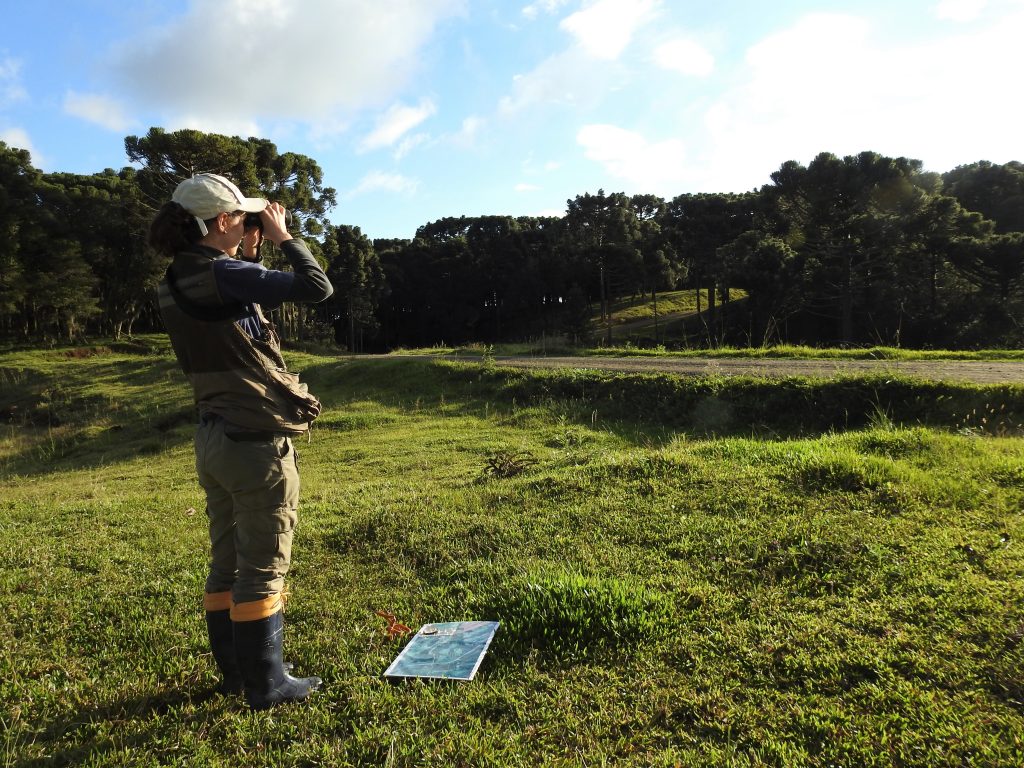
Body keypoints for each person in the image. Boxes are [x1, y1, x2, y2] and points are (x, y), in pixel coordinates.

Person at [149, 173, 333, 710]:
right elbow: (317, 287)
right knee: (263, 564)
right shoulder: (224, 273)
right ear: (224, 220)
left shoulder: (177, 278)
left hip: (213, 437)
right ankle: (267, 685)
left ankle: (235, 673)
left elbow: (235, 319)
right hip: (253, 440)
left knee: (227, 559)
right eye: (243, 217)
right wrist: (282, 238)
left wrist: (249, 252)